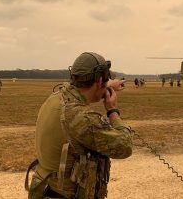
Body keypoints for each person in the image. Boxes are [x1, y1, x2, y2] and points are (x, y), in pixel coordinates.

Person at [26, 52, 133, 199]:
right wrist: (112, 110)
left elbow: (81, 89)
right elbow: (124, 146)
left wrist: (106, 85)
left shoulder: (58, 96)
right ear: (100, 80)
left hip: (47, 191)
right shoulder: (80, 118)